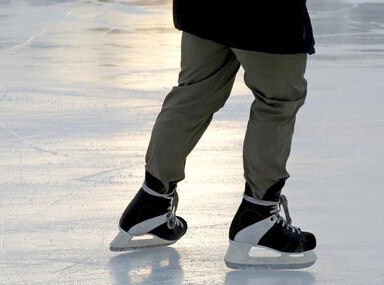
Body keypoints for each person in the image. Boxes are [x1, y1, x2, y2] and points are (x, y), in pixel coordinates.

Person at [110, 0, 317, 269]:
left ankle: (152, 201)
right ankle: (259, 214)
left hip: (203, 8)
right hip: (266, 13)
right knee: (277, 101)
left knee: (193, 95)